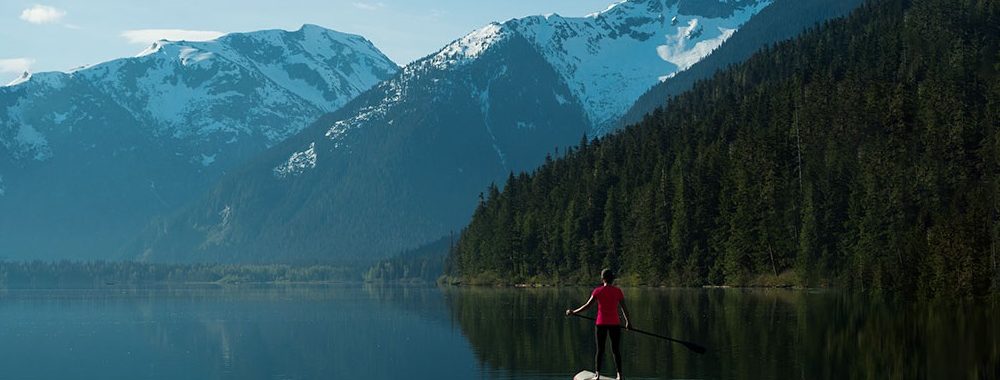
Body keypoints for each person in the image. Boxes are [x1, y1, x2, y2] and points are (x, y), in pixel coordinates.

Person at [566, 269, 631, 380]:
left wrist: (573, 312)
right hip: (614, 323)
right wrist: (628, 322)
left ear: (602, 279)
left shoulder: (598, 291)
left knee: (600, 350)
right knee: (616, 350)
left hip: (601, 323)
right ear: (612, 279)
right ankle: (619, 376)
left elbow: (587, 306)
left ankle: (598, 375)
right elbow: (624, 308)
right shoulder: (617, 291)